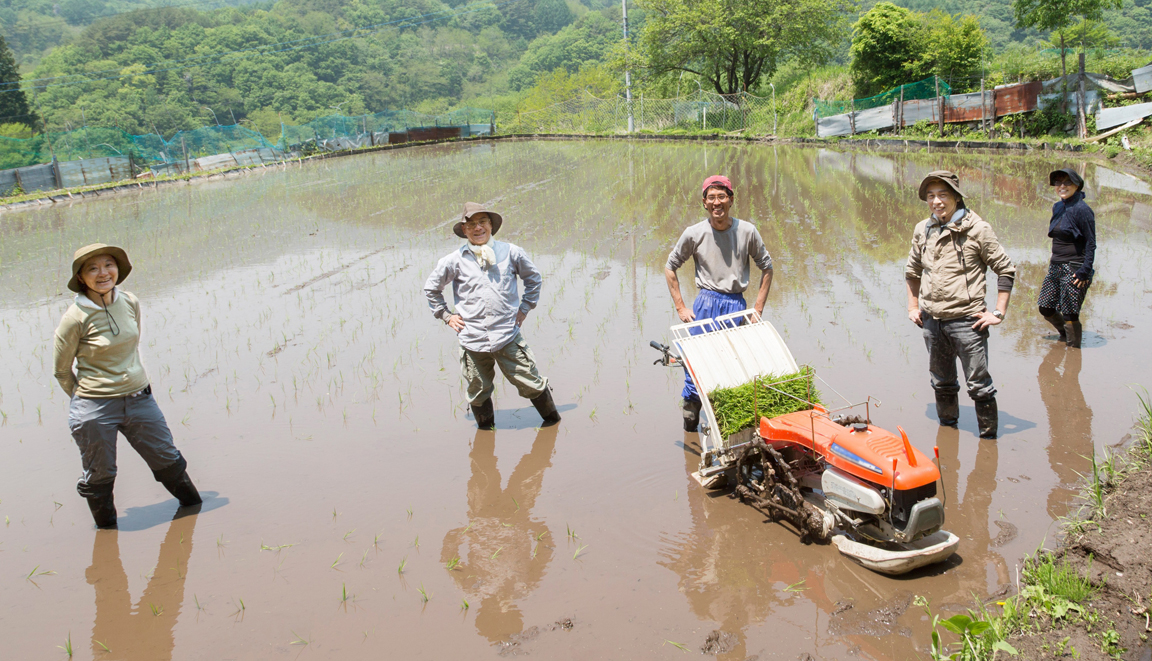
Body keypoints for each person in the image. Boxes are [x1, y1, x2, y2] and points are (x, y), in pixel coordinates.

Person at [53, 244, 201, 529]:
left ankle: (194, 518)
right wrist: (89, 401)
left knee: (168, 460)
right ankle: (107, 534)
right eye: (92, 268)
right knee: (100, 476)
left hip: (139, 399)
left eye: (108, 264)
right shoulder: (75, 317)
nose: (103, 273)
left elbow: (132, 346)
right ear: (82, 278)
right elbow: (61, 371)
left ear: (118, 269)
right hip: (95, 407)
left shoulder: (130, 302)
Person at [424, 202, 560, 430]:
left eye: (482, 222)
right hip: (472, 339)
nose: (478, 228)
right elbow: (432, 288)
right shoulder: (454, 260)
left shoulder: (510, 252)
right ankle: (486, 433)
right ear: (464, 230)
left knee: (531, 383)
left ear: (491, 226)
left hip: (506, 335)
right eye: (472, 224)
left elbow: (533, 278)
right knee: (478, 390)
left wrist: (525, 308)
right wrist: (446, 316)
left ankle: (554, 424)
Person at [905, 171, 1017, 439]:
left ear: (956, 197)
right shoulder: (924, 229)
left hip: (968, 321)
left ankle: (989, 441)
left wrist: (998, 312)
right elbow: (912, 272)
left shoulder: (978, 229)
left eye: (943, 195)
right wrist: (912, 307)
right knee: (941, 382)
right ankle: (948, 436)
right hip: (932, 321)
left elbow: (1006, 269)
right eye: (931, 196)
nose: (937, 202)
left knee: (979, 385)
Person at [665, 175, 774, 431]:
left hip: (736, 305)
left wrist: (757, 309)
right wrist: (681, 307)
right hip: (704, 304)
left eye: (722, 196)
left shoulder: (747, 231)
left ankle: (728, 431)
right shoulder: (694, 234)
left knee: (734, 369)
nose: (717, 203)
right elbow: (670, 267)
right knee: (695, 369)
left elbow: (767, 267)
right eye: (711, 197)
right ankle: (690, 428)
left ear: (731, 200)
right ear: (704, 202)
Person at [1038, 168, 1096, 348]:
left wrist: (1084, 271)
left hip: (1075, 267)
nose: (1062, 186)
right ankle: (1064, 333)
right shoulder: (1058, 206)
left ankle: (1073, 353)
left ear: (1077, 185)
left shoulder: (1082, 210)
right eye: (1058, 183)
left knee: (1070, 312)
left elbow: (1090, 243)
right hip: (1055, 265)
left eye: (1067, 182)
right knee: (1045, 307)